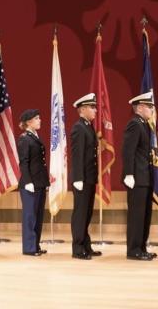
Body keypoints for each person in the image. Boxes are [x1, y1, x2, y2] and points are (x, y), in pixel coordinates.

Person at [122, 91, 156, 261]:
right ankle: (134, 250)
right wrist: (129, 174)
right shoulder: (135, 124)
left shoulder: (144, 124)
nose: (152, 110)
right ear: (141, 107)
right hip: (136, 177)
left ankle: (142, 246)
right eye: (149, 107)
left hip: (145, 177)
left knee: (145, 214)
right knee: (137, 215)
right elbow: (128, 151)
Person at [70, 93, 101, 260]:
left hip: (89, 177)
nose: (95, 110)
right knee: (80, 214)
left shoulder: (88, 126)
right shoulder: (78, 128)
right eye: (92, 107)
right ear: (82, 109)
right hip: (82, 178)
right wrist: (78, 178)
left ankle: (86, 245)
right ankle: (77, 248)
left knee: (87, 213)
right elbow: (77, 155)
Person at [17, 109, 49, 256]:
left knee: (38, 215)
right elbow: (24, 162)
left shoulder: (35, 136)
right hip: (30, 183)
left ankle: (35, 245)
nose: (40, 120)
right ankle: (29, 248)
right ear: (29, 122)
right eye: (37, 118)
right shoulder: (24, 139)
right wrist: (28, 181)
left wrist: (45, 181)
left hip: (39, 182)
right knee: (30, 216)